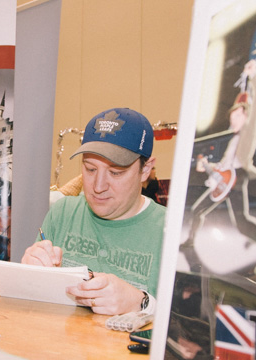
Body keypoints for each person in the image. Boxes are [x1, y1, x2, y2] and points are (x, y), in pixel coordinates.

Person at [21, 108, 166, 316]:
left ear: (145, 169)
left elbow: (193, 327)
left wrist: (143, 304)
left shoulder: (172, 232)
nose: (98, 186)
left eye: (115, 172)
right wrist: (28, 277)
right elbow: (30, 310)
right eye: (90, 169)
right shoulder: (62, 214)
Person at [180, 60, 256, 254]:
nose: (232, 120)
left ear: (246, 116)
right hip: (225, 178)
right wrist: (207, 165)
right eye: (231, 117)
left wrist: (254, 76)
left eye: (236, 116)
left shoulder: (249, 131)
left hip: (237, 177)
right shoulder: (234, 140)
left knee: (241, 221)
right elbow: (224, 165)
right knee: (197, 210)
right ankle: (191, 241)